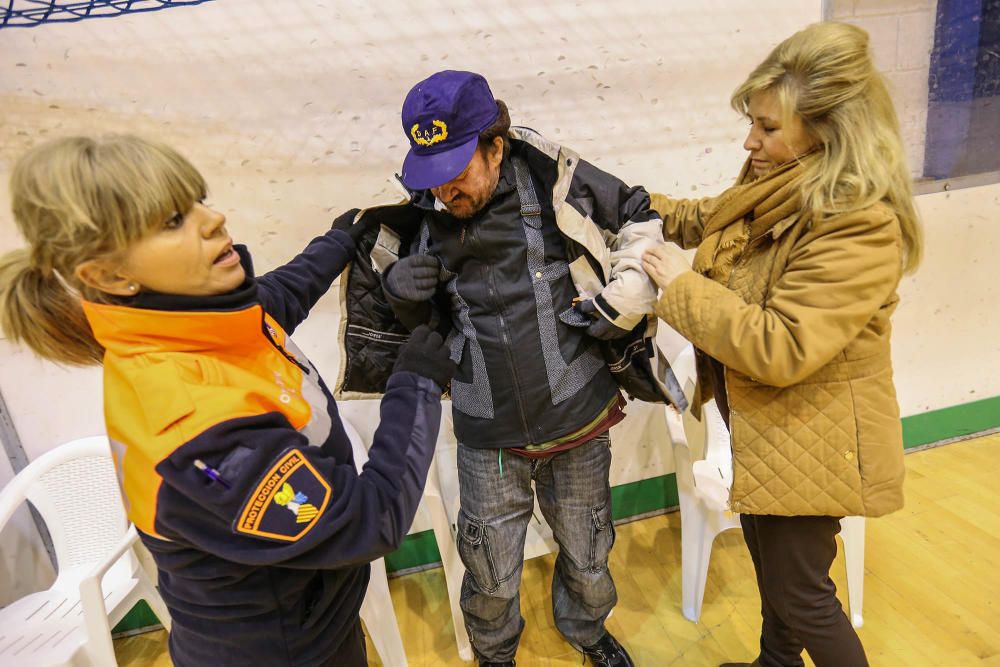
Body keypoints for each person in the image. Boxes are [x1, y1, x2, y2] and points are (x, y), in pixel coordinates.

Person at [0, 134, 456, 667]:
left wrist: (337, 243)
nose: (212, 219)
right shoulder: (200, 428)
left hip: (310, 616)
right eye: (173, 221)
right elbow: (369, 522)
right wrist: (417, 383)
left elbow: (270, 304)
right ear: (108, 276)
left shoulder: (187, 325)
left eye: (199, 198)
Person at [641, 22, 923, 667]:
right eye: (752, 123)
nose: (751, 140)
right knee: (776, 577)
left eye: (767, 127)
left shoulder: (859, 222)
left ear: (827, 129)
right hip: (771, 428)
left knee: (805, 600)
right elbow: (711, 219)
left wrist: (679, 286)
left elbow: (781, 345)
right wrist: (619, 200)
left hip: (816, 438)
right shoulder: (781, 182)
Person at [375, 69, 666, 667]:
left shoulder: (552, 182)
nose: (445, 192)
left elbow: (638, 217)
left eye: (458, 172)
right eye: (433, 177)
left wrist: (628, 295)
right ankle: (494, 654)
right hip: (488, 434)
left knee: (588, 553)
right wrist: (399, 296)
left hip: (578, 414)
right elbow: (421, 334)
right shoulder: (424, 221)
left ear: (495, 146)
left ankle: (587, 634)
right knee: (489, 570)